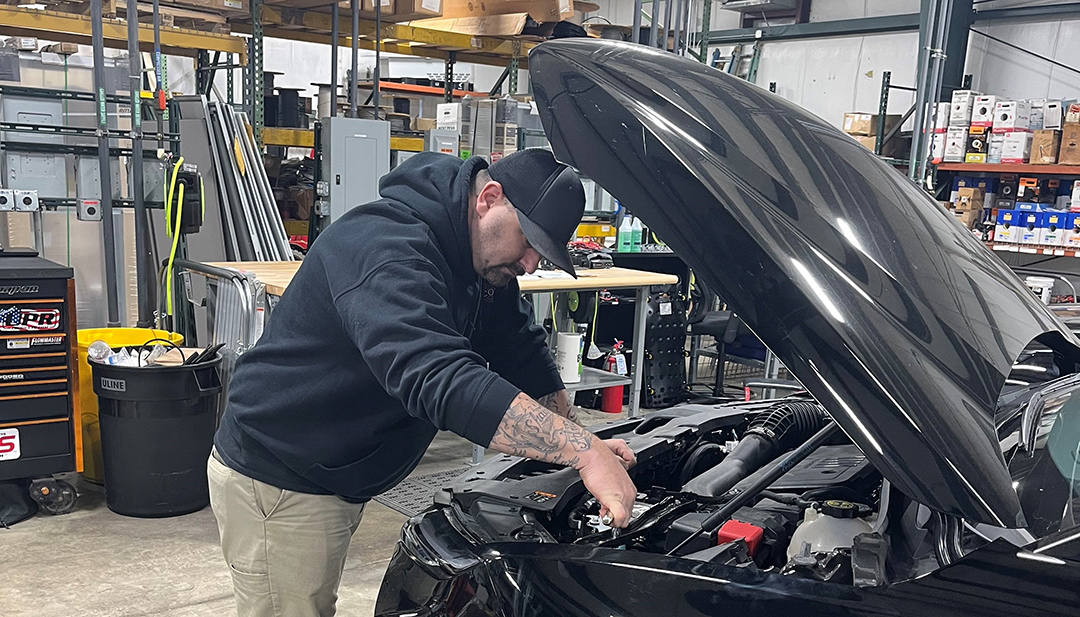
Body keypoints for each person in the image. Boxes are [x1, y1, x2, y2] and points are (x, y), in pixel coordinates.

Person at [207, 148, 637, 617]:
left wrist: (577, 437)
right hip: (281, 476)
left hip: (338, 470)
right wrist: (581, 451)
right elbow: (437, 377)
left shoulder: (478, 261)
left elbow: (520, 348)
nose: (531, 264)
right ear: (488, 198)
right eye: (529, 241)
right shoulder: (385, 246)